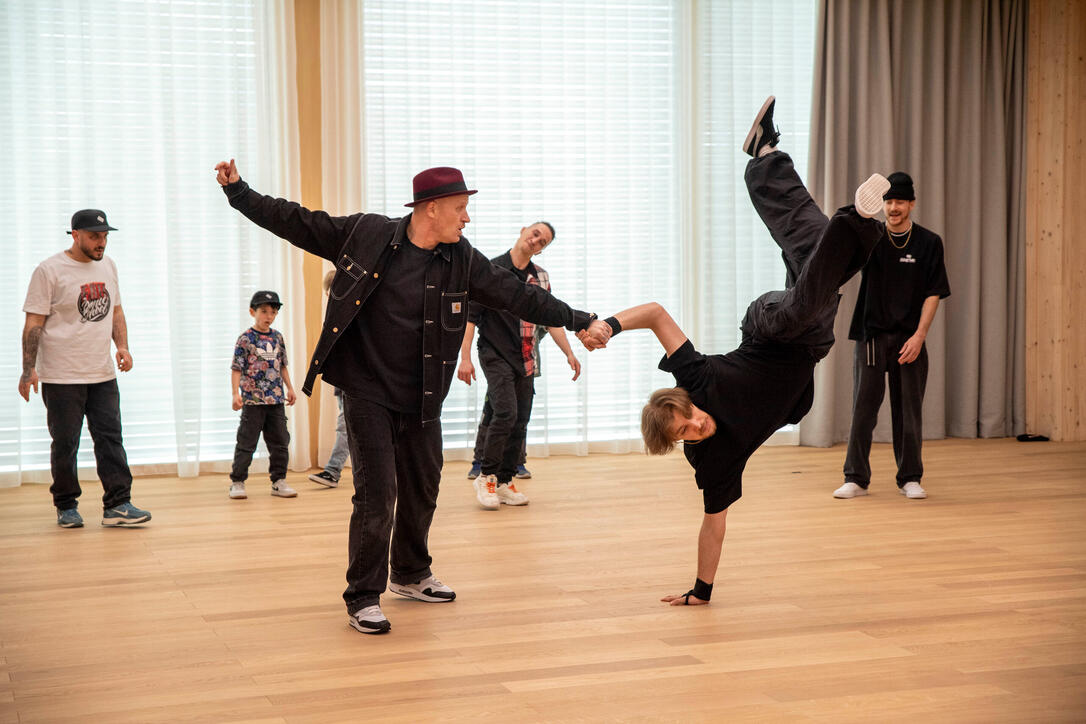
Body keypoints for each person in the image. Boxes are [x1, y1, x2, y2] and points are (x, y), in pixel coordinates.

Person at [214, 160, 599, 635]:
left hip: (423, 394)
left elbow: (519, 296)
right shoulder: (367, 235)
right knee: (378, 495)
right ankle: (363, 596)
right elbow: (296, 221)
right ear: (430, 209)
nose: (466, 218)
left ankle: (411, 573)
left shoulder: (461, 258)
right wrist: (239, 192)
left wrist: (579, 318)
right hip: (366, 388)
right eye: (460, 208)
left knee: (423, 485)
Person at [578, 96, 886, 606]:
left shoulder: (694, 379)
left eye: (690, 417)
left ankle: (858, 221)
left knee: (808, 295)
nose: (697, 425)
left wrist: (609, 326)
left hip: (768, 326)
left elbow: (656, 313)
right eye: (687, 433)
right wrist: (702, 591)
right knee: (807, 246)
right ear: (680, 443)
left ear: (685, 402)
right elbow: (713, 526)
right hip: (810, 345)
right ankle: (765, 158)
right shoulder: (713, 461)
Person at [18, 209, 152, 528]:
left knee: (110, 439)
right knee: (66, 443)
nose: (101, 242)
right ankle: (66, 506)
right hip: (61, 375)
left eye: (104, 236)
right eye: (94, 236)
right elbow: (33, 322)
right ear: (75, 235)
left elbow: (116, 311)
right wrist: (28, 369)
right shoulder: (49, 270)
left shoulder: (108, 265)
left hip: (102, 372)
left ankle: (118, 504)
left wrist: (122, 347)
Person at [835, 173, 951, 501]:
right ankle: (855, 477)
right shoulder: (871, 238)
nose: (893, 207)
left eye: (900, 201)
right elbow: (842, 240)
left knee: (909, 412)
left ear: (911, 203)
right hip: (871, 337)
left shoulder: (929, 242)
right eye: (888, 201)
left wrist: (919, 336)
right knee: (863, 409)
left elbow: (934, 292)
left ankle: (910, 478)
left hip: (909, 341)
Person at [457, 222, 581, 508]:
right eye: (536, 234)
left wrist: (569, 353)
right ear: (524, 230)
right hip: (494, 353)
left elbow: (551, 318)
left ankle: (504, 480)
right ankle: (486, 477)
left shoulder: (540, 277)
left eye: (543, 242)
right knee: (505, 413)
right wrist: (464, 358)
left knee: (520, 419)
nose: (536, 241)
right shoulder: (490, 270)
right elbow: (471, 319)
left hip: (526, 357)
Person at [229, 290, 298, 499]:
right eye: (264, 311)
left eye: (273, 312)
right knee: (246, 442)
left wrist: (290, 388)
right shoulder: (245, 339)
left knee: (279, 441)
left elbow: (282, 366)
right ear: (253, 311)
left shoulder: (277, 337)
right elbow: (236, 368)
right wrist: (235, 393)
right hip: (252, 399)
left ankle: (279, 481)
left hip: (276, 399)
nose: (268, 316)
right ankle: (238, 482)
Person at [309, 270, 352, 488]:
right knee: (347, 427)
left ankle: (333, 471)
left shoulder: (348, 312)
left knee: (345, 427)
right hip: (341, 381)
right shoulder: (335, 313)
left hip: (352, 381)